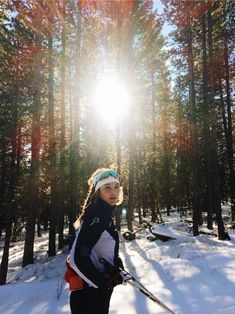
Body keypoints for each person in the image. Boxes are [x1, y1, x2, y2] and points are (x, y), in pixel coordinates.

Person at [68, 168, 130, 314]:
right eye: (107, 187)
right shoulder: (97, 217)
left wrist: (116, 267)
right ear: (98, 191)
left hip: (96, 293)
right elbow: (77, 259)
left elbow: (99, 250)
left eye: (116, 187)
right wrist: (102, 283)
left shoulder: (103, 213)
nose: (113, 192)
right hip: (88, 296)